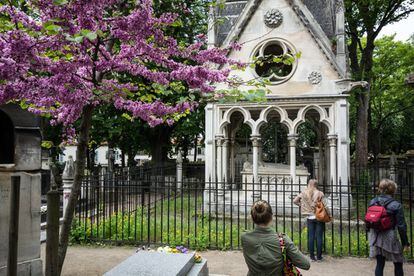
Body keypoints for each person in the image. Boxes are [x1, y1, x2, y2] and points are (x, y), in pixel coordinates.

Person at [241, 200, 310, 276]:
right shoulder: (283, 240)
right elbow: (305, 264)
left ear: (252, 218)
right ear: (272, 217)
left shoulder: (244, 237)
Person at [368, 179, 410, 276]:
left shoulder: (373, 201)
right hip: (389, 235)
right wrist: (405, 243)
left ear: (380, 189)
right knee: (398, 263)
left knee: (380, 263)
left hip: (375, 235)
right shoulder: (396, 205)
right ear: (393, 190)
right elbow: (401, 226)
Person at [293, 179, 326, 261]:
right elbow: (325, 205)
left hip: (309, 217)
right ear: (316, 185)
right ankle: (319, 257)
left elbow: (295, 201)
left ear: (309, 184)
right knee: (319, 236)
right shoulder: (320, 193)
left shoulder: (304, 193)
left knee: (310, 236)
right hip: (319, 216)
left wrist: (302, 205)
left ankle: (311, 257)